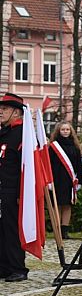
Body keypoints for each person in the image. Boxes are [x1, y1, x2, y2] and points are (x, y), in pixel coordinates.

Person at [0, 93, 29, 282]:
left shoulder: (22, 134)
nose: (0, 112)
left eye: (5, 109)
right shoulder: (4, 132)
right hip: (2, 189)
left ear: (17, 112)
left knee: (12, 230)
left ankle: (18, 268)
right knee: (1, 229)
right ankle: (4, 267)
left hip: (14, 191)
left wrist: (21, 193)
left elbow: (25, 166)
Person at [49, 122, 82, 240]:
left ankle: (65, 231)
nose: (65, 131)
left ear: (71, 131)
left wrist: (79, 181)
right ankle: (57, 230)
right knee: (57, 204)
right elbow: (48, 164)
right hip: (56, 179)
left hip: (69, 181)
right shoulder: (53, 146)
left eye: (67, 129)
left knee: (67, 205)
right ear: (58, 131)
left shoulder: (75, 147)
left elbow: (78, 165)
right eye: (63, 129)